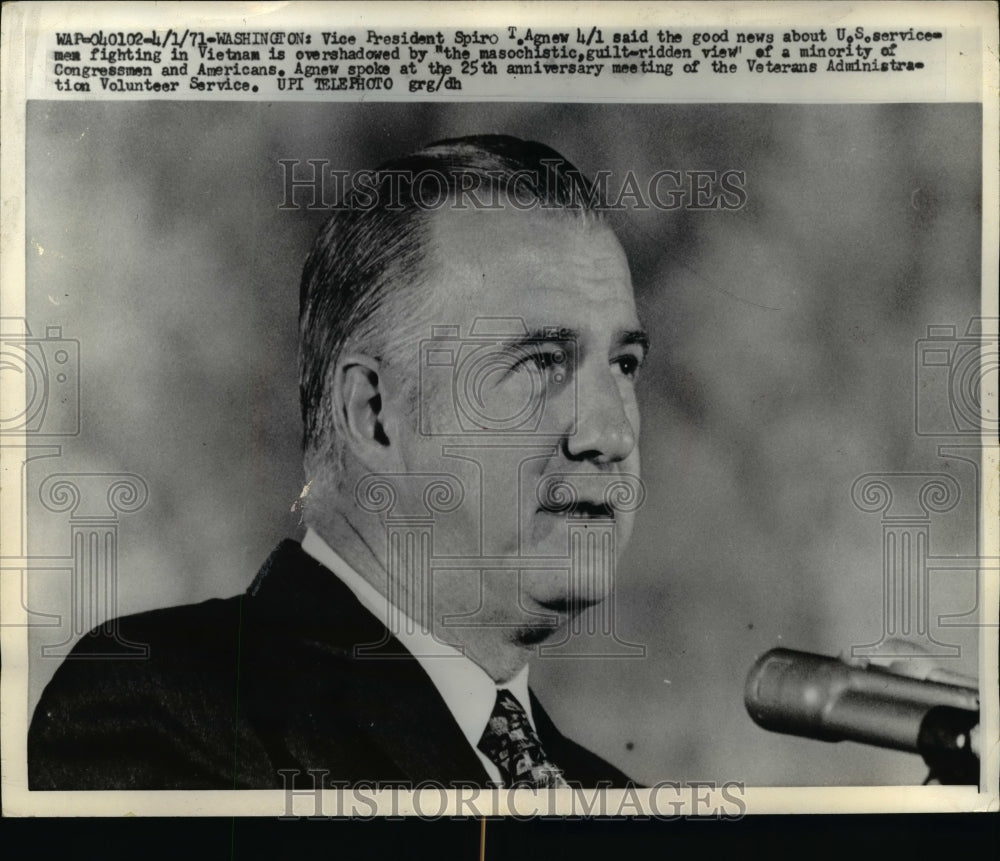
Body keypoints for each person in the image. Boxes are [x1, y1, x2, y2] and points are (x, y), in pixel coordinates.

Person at [28, 135, 648, 790]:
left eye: (625, 364)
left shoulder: (614, 799)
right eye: (543, 361)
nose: (611, 433)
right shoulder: (163, 708)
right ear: (373, 412)